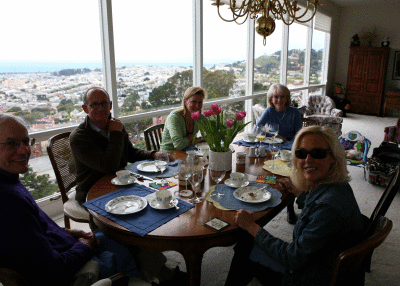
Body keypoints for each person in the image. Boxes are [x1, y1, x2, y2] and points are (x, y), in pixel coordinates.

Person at [0, 114, 139, 286]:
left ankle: (158, 272)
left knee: (121, 234)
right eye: (11, 143)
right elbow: (53, 270)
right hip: (74, 272)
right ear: (85, 108)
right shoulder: (8, 202)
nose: (24, 150)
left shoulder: (9, 181)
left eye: (26, 141)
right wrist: (85, 246)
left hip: (67, 246)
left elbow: (37, 230)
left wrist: (71, 232)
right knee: (130, 246)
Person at [225, 126, 366, 286]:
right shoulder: (336, 185)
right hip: (322, 260)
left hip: (309, 276)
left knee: (246, 244)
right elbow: (318, 211)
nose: (308, 160)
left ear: (333, 157)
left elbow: (292, 258)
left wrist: (252, 226)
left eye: (318, 153)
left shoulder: (328, 207)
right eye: (301, 153)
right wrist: (300, 193)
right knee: (250, 240)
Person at [70, 86, 174, 205]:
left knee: (158, 198)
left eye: (104, 103)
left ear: (110, 105)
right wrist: (115, 133)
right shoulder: (79, 137)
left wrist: (154, 154)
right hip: (93, 192)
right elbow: (109, 167)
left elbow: (130, 153)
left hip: (121, 183)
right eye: (94, 104)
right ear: (85, 108)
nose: (100, 108)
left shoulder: (115, 125)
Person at [160, 86, 206, 152]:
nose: (197, 106)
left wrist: (192, 138)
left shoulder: (199, 117)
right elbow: (179, 145)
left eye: (200, 102)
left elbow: (211, 134)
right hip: (169, 155)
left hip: (187, 152)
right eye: (194, 102)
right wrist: (199, 139)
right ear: (185, 101)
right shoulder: (174, 117)